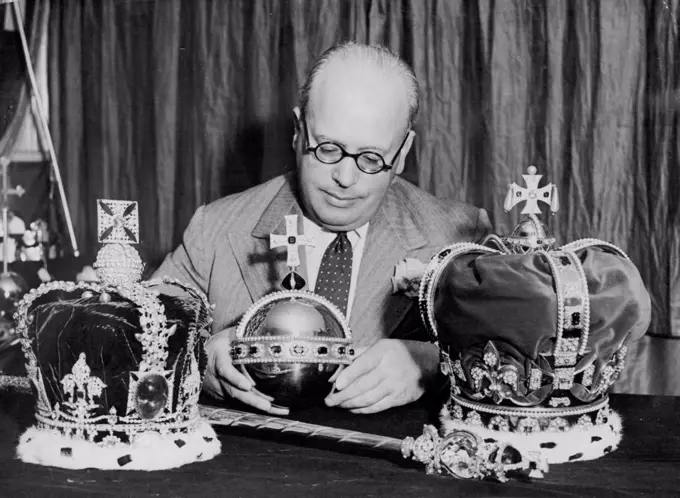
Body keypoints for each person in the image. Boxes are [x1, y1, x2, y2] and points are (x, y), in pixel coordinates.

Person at [152, 42, 490, 416]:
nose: (344, 178)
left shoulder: (459, 235)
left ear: (403, 152)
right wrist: (200, 357)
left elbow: (516, 360)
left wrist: (431, 363)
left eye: (371, 158)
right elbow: (141, 340)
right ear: (298, 132)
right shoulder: (214, 230)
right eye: (328, 148)